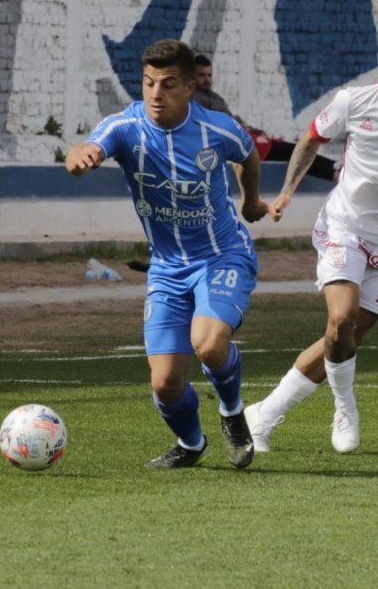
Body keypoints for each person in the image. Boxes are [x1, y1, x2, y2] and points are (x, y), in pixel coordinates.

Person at [242, 31, 378, 454]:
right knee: (340, 320)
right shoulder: (351, 102)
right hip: (345, 224)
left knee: (343, 339)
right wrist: (287, 191)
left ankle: (263, 414)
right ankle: (345, 407)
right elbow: (310, 139)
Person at [65, 39, 268, 469]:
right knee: (165, 384)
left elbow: (248, 153)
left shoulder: (218, 128)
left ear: (191, 87)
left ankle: (233, 414)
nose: (156, 94)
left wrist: (251, 201)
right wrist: (79, 156)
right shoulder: (126, 127)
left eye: (169, 84)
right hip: (167, 268)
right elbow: (90, 147)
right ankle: (192, 444)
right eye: (149, 83)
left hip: (222, 255)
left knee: (209, 345)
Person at [194, 52, 342, 181]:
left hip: (247, 140)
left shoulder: (213, 96)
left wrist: (251, 129)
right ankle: (335, 173)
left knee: (296, 149)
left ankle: (336, 169)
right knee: (295, 152)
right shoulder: (194, 99)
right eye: (202, 75)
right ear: (192, 76)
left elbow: (231, 119)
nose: (207, 79)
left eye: (209, 75)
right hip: (242, 146)